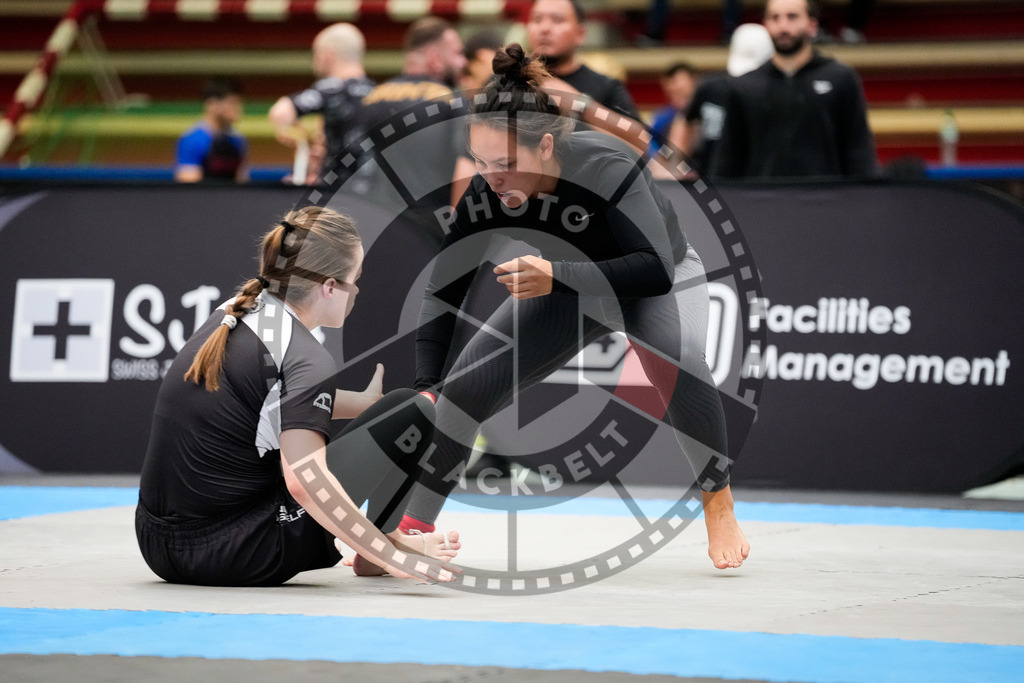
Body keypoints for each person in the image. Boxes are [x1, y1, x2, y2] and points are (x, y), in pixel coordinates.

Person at [402, 44, 750, 571]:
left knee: (674, 355)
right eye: (480, 162)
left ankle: (717, 497)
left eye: (505, 164)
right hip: (567, 287)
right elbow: (442, 291)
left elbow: (652, 269)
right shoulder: (485, 192)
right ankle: (412, 531)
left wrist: (556, 275)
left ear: (545, 147)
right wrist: (428, 384)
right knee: (463, 389)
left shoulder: (607, 166)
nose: (492, 178)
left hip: (656, 278)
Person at [135, 206, 460, 587]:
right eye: (356, 280)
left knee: (396, 411)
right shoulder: (304, 354)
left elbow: (262, 401)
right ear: (329, 287)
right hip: (230, 553)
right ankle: (383, 547)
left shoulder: (235, 312)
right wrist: (388, 556)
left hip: (158, 546)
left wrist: (360, 403)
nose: (357, 291)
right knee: (415, 410)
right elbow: (305, 483)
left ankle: (386, 541)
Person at [711, 0, 879, 179]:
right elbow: (728, 156)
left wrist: (865, 196)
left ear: (812, 26)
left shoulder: (840, 78)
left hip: (826, 200)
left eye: (792, 17)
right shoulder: (744, 86)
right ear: (766, 25)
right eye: (775, 18)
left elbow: (858, 148)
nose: (783, 26)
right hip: (762, 201)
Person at [355, 17, 471, 212]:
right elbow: (466, 163)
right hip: (432, 225)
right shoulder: (452, 101)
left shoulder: (371, 99)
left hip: (380, 221)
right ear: (435, 58)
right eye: (457, 53)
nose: (463, 62)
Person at [268, 23, 375, 184]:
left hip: (339, 196)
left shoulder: (334, 88)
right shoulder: (377, 92)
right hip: (375, 194)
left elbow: (280, 113)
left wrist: (299, 135)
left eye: (315, 56)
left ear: (328, 55)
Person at [682, 23, 774, 173]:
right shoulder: (710, 87)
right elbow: (686, 121)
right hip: (713, 175)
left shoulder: (777, 90)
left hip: (756, 176)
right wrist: (679, 164)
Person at [526, 0, 640, 121]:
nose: (544, 28)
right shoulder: (513, 81)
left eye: (557, 20)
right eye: (537, 19)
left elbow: (640, 137)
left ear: (580, 34)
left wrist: (580, 106)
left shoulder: (606, 87)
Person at [175, 77, 248, 183]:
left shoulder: (238, 140)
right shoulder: (191, 140)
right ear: (212, 104)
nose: (239, 108)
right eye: (233, 102)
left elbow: (241, 179)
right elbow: (189, 186)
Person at [648, 62, 697, 154]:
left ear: (694, 82)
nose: (677, 99)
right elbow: (650, 146)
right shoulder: (662, 118)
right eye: (672, 94)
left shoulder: (706, 115)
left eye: (681, 92)